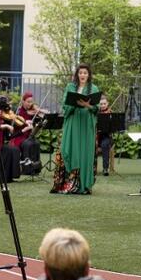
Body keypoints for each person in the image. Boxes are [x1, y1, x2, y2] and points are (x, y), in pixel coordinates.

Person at [60, 64, 99, 194]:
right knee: (71, 150)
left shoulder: (93, 88)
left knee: (86, 152)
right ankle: (72, 183)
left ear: (88, 75)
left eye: (85, 73)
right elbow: (65, 106)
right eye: (80, 73)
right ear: (77, 74)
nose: (82, 75)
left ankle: (85, 185)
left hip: (87, 124)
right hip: (74, 122)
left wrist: (88, 105)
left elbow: (97, 108)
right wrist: (75, 103)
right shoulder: (70, 87)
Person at [12, 91, 42, 175]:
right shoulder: (19, 112)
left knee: (36, 143)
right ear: (23, 101)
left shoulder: (31, 111)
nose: (30, 104)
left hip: (28, 136)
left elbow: (39, 117)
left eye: (31, 102)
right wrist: (25, 123)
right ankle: (27, 169)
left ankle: (36, 169)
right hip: (19, 136)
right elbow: (16, 126)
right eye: (28, 102)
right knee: (28, 144)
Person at [96, 95, 113, 177]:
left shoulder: (110, 113)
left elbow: (113, 127)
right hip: (96, 136)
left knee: (104, 145)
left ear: (107, 104)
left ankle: (105, 168)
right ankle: (92, 168)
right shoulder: (96, 113)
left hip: (106, 136)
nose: (102, 105)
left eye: (104, 104)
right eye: (101, 104)